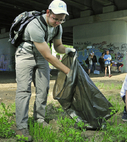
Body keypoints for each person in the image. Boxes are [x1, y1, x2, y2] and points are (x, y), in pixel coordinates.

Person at [14, 0, 76, 141]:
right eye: (55, 19)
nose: (57, 22)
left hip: (41, 55)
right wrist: (67, 71)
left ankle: (39, 119)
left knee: (43, 88)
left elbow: (58, 46)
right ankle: (21, 126)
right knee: (24, 90)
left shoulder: (58, 27)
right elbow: (48, 55)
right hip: (25, 54)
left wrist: (67, 50)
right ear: (48, 12)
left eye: (61, 20)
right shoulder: (34, 25)